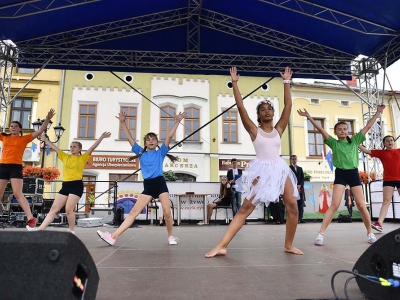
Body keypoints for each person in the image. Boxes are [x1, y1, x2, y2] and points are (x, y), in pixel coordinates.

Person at [205, 66, 303, 257]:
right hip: (262, 171)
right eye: (263, 110)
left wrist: (286, 82)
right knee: (245, 208)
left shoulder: (279, 129)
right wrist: (234, 84)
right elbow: (240, 107)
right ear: (258, 115)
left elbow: (288, 106)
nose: (267, 112)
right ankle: (221, 245)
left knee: (292, 207)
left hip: (281, 171)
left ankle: (288, 244)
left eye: (269, 109)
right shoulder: (254, 130)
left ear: (273, 113)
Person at [297, 103, 385, 246]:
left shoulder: (355, 140)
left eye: (345, 129)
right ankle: (320, 234)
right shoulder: (333, 143)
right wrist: (308, 117)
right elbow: (320, 130)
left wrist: (378, 112)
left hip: (353, 173)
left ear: (348, 131)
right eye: (340, 129)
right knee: (335, 204)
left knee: (362, 205)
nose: (343, 131)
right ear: (336, 132)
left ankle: (370, 233)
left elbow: (368, 126)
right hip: (341, 174)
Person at [97, 111, 186, 246]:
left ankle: (170, 236)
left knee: (167, 212)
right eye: (148, 139)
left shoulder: (161, 152)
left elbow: (169, 135)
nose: (151, 141)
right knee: (133, 212)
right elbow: (129, 138)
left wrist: (177, 121)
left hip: (160, 183)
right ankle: (113, 237)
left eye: (153, 139)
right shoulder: (139, 152)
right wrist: (123, 123)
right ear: (145, 143)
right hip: (149, 186)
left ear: (157, 143)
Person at [27, 132, 111, 233]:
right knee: (53, 209)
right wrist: (45, 140)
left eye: (74, 147)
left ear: (79, 149)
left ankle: (71, 230)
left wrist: (101, 137)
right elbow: (54, 148)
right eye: (71, 147)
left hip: (76, 185)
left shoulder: (83, 158)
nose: (72, 148)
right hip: (66, 185)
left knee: (68, 209)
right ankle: (39, 230)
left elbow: (92, 147)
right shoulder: (65, 156)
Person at [0, 108, 55, 229]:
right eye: (11, 126)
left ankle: (31, 219)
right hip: (3, 166)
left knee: (17, 193)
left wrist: (47, 119)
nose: (13, 128)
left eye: (15, 126)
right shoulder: (4, 137)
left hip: (15, 167)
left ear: (20, 129)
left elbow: (40, 130)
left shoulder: (24, 139)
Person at [359, 135, 400, 233]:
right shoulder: (382, 153)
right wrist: (356, 144)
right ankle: (379, 224)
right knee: (386, 201)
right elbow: (367, 151)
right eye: (387, 141)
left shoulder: (398, 151)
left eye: (391, 140)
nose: (390, 142)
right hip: (388, 180)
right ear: (384, 143)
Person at [289, 155, 306, 223]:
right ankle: (294, 218)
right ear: (291, 160)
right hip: (293, 188)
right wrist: (295, 186)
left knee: (300, 203)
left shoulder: (300, 168)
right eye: (293, 159)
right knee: (294, 204)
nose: (294, 160)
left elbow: (302, 178)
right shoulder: (289, 168)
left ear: (297, 159)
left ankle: (300, 218)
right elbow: (289, 179)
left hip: (300, 189)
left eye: (295, 159)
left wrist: (300, 185)